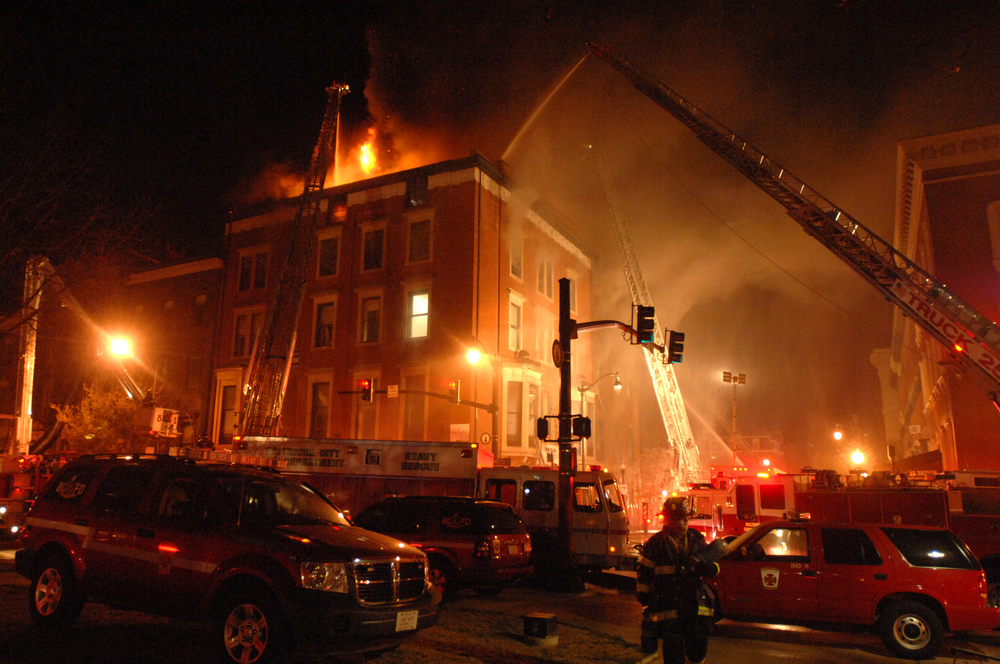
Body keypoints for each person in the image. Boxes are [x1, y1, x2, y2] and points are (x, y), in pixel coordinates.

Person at [637, 496, 721, 663]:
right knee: (673, 651)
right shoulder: (655, 544)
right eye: (681, 518)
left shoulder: (696, 538)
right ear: (669, 520)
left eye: (687, 518)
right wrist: (645, 598)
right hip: (668, 606)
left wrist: (709, 568)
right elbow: (644, 574)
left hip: (694, 605)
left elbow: (714, 566)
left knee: (697, 651)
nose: (686, 522)